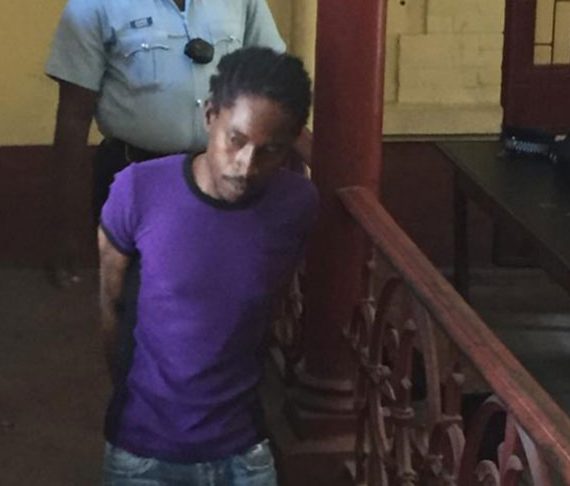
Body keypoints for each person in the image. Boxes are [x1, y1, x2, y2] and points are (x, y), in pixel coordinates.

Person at [98, 47, 318, 485]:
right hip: (142, 451)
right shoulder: (138, 190)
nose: (245, 166)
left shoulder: (296, 204)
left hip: (243, 450)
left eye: (270, 150)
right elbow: (110, 301)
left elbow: (265, 304)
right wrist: (132, 390)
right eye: (236, 140)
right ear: (210, 116)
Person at [45, 0, 285, 285]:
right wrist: (64, 226)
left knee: (223, 292)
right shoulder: (94, 6)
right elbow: (74, 115)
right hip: (137, 180)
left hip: (223, 179)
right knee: (142, 295)